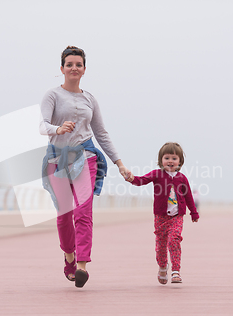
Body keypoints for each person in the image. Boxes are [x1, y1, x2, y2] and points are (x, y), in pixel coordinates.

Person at [39, 46, 132, 288]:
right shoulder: (52, 95)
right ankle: (69, 257)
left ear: (84, 70)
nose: (73, 68)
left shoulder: (90, 99)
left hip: (86, 157)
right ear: (61, 69)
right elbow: (42, 125)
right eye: (69, 64)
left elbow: (101, 132)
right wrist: (57, 129)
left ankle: (81, 266)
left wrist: (119, 163)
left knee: (83, 212)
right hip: (57, 159)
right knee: (64, 216)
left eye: (78, 65)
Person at [125, 142, 199, 284]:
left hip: (177, 217)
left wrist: (193, 212)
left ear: (180, 161)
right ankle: (163, 266)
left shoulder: (182, 178)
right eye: (166, 158)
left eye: (174, 158)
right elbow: (142, 180)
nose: (170, 161)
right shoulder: (157, 174)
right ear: (161, 161)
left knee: (174, 239)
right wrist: (131, 178)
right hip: (160, 217)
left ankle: (176, 271)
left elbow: (188, 195)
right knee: (161, 244)